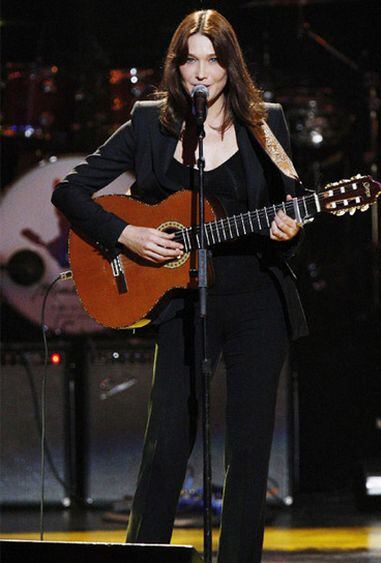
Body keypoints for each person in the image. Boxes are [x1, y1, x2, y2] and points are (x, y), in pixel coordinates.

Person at [52, 9, 308, 563]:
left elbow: (288, 214)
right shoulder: (150, 123)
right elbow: (70, 193)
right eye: (191, 59)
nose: (201, 72)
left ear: (229, 66)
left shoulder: (268, 123)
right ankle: (144, 555)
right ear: (176, 65)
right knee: (167, 442)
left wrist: (288, 230)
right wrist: (127, 234)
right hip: (181, 302)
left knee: (249, 451)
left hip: (257, 301)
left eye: (213, 60)